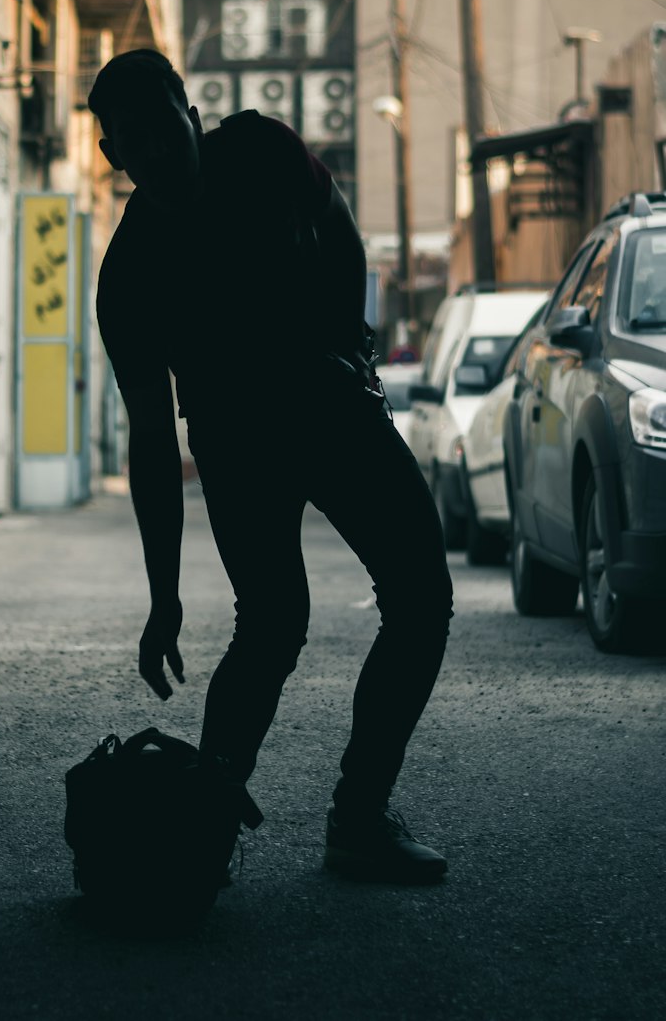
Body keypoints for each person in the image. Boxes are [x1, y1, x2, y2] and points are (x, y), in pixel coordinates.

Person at [89, 49, 453, 883]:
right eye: (133, 145)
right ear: (113, 157)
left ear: (192, 109)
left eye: (165, 129)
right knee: (273, 623)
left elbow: (342, 230)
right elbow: (152, 442)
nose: (156, 154)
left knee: (422, 597)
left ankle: (358, 819)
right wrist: (163, 597)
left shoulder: (260, 149)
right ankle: (198, 829)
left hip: (331, 406)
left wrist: (353, 353)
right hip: (235, 442)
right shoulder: (128, 275)